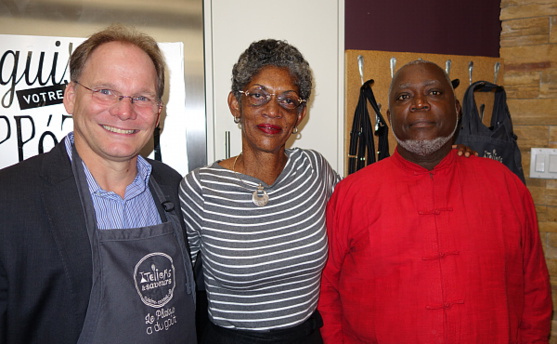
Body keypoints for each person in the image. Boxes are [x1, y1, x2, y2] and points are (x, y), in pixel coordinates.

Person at [318, 60, 552, 343]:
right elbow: (325, 290)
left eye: (434, 93)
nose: (419, 104)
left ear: (456, 109)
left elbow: (535, 289)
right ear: (390, 117)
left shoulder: (505, 185)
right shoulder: (351, 195)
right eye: (404, 96)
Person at [0, 25, 196, 343]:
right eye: (105, 91)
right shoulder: (9, 199)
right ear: (71, 97)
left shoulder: (172, 186)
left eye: (142, 97)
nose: (124, 110)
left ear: (158, 114)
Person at [179, 39, 340, 343]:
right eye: (258, 96)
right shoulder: (200, 188)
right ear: (235, 104)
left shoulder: (315, 170)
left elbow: (362, 213)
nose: (272, 111)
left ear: (300, 114)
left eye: (288, 100)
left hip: (305, 336)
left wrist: (452, 156)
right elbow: (178, 285)